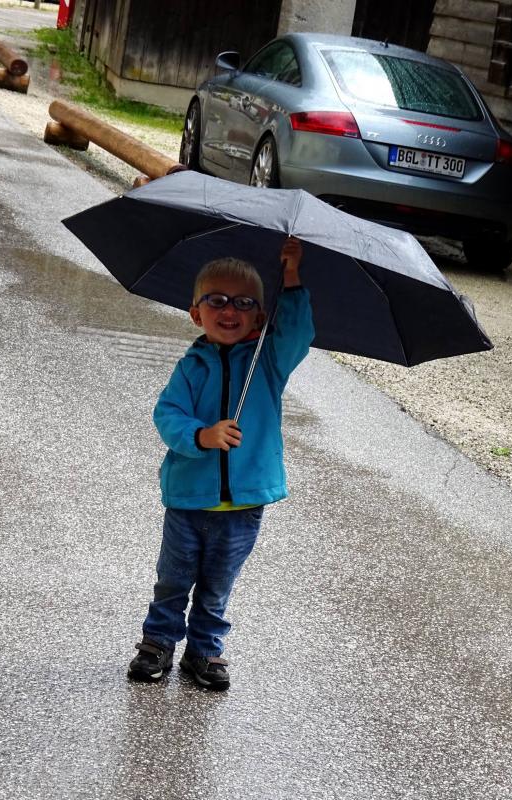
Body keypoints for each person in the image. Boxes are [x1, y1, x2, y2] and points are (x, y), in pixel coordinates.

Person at [128, 237, 314, 690]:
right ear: (196, 313)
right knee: (173, 580)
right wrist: (201, 436)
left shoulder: (270, 362)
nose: (230, 310)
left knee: (217, 586)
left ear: (260, 316)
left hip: (243, 506)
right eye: (217, 301)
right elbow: (167, 415)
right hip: (189, 500)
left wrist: (291, 276)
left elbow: (298, 332)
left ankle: (204, 649)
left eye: (244, 303)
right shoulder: (191, 367)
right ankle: (157, 643)